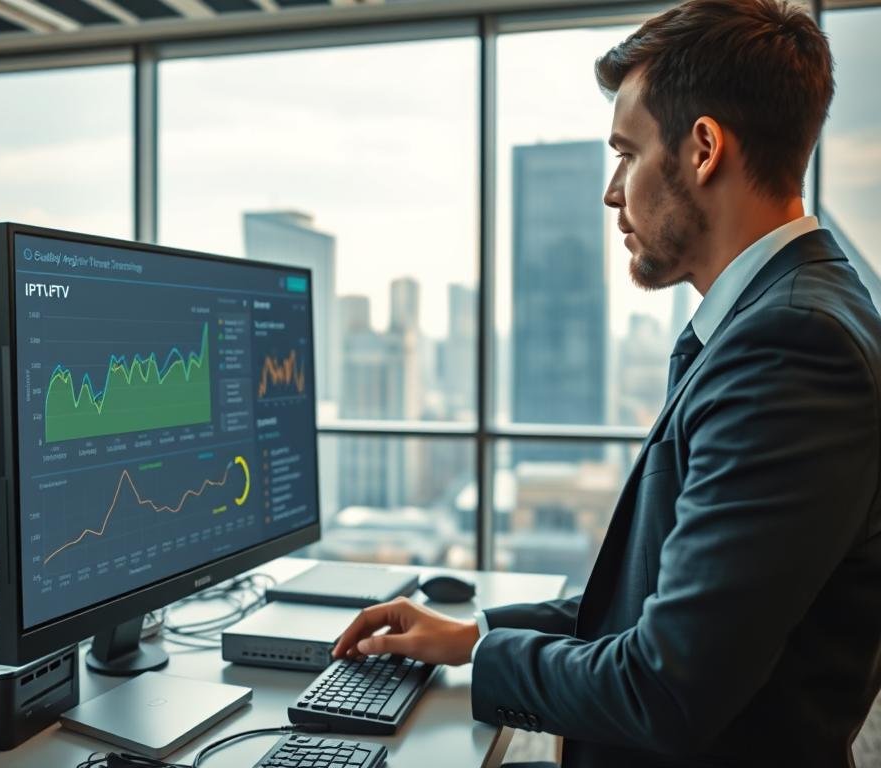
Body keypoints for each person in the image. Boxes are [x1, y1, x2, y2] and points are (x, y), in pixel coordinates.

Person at [332, 0, 881, 765]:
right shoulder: (782, 316)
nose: (612, 190)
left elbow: (666, 685)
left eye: (626, 153)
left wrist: (487, 662)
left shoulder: (791, 346)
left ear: (703, 149)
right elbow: (658, 603)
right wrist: (473, 634)